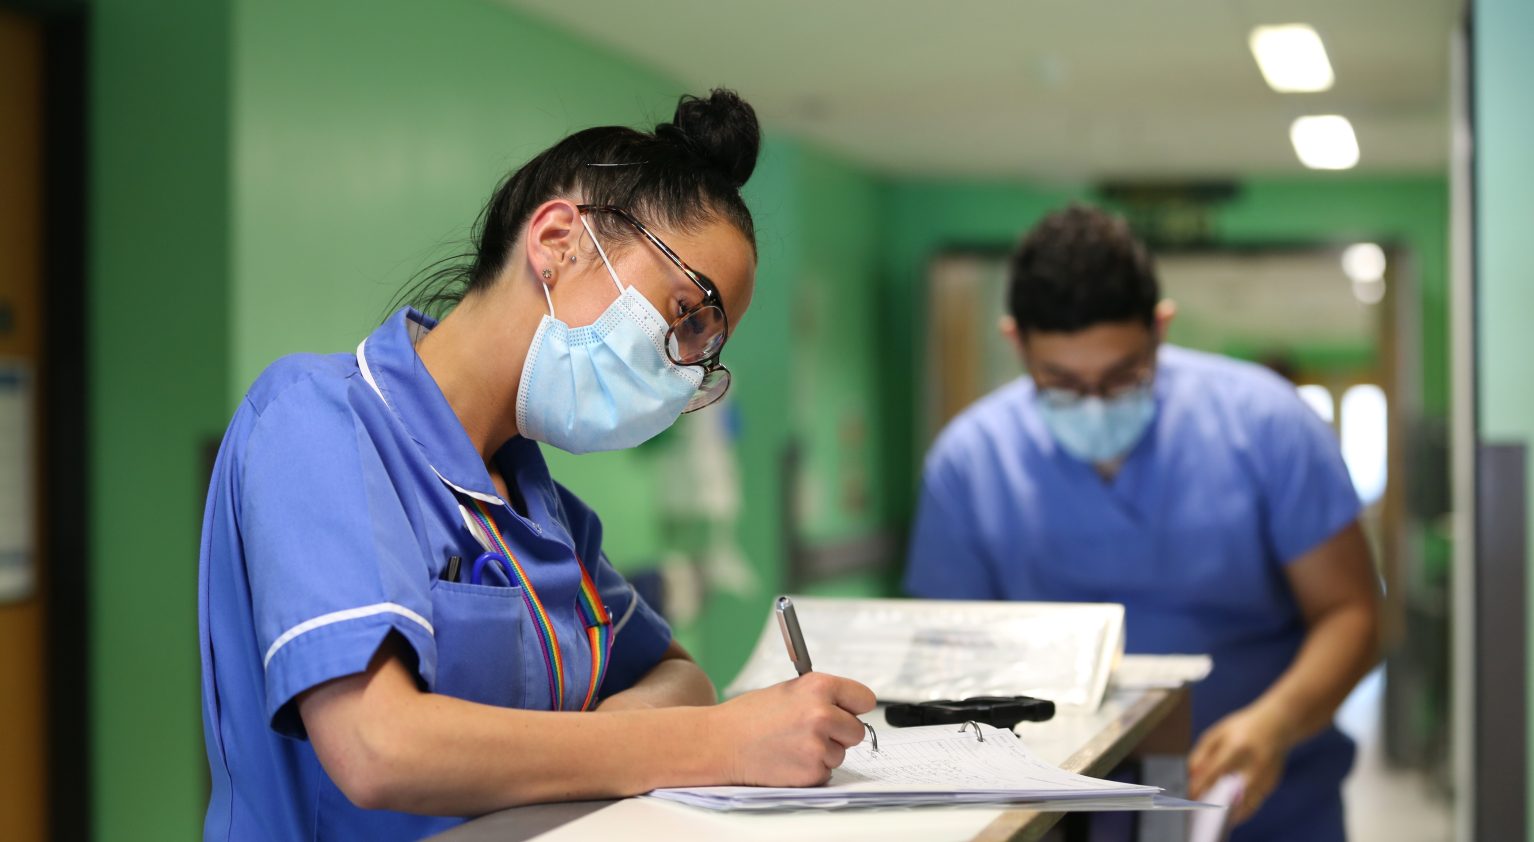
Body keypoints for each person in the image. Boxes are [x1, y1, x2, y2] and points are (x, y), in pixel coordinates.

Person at [198, 89, 874, 841]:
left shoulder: (541, 510)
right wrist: (714, 743)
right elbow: (376, 746)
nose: (686, 371)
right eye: (686, 316)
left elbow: (682, 676)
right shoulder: (316, 419)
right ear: (557, 241)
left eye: (705, 354)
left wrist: (611, 746)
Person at [903, 206, 1380, 841]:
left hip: (1262, 804)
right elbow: (946, 662)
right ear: (1016, 342)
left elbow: (1353, 613)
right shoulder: (970, 462)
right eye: (1063, 382)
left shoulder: (1268, 426)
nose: (1095, 405)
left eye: (1123, 375)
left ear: (1160, 327)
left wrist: (1275, 723)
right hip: (1060, 813)